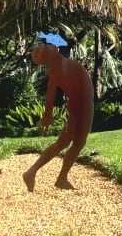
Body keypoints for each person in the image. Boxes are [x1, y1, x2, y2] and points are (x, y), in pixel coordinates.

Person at [22, 43, 94, 192]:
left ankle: (32, 172)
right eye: (45, 50)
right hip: (81, 107)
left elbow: (51, 91)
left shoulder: (59, 66)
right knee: (78, 143)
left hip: (79, 105)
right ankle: (61, 178)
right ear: (48, 57)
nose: (48, 47)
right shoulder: (60, 68)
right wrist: (47, 113)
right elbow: (51, 93)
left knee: (62, 142)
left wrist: (48, 113)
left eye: (46, 47)